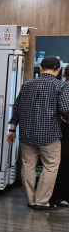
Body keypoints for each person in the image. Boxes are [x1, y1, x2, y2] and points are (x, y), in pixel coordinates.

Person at [6, 55, 69, 210]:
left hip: (27, 133)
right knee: (50, 166)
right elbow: (65, 109)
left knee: (28, 165)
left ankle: (31, 200)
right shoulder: (61, 86)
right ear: (58, 69)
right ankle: (41, 201)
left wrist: (12, 129)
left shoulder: (27, 85)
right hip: (50, 134)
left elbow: (17, 108)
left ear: (40, 68)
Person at [48, 66, 69, 207]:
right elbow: (64, 111)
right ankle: (58, 196)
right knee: (63, 165)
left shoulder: (62, 86)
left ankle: (57, 196)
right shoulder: (64, 88)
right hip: (64, 131)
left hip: (61, 131)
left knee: (62, 164)